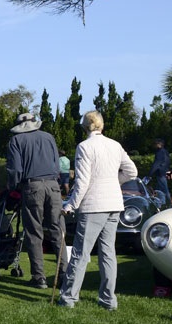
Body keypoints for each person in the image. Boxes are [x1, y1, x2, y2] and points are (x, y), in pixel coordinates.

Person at [57, 111, 137, 310]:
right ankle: (108, 300)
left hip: (94, 206)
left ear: (85, 127)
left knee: (80, 253)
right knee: (108, 253)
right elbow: (132, 172)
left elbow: (83, 181)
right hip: (114, 204)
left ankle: (68, 298)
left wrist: (70, 204)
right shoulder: (115, 145)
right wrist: (112, 183)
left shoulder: (84, 146)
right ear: (102, 125)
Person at [6, 111, 66, 289]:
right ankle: (64, 273)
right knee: (57, 230)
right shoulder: (48, 137)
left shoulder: (16, 141)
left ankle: (39, 277)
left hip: (32, 187)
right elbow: (57, 163)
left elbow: (15, 169)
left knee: (34, 232)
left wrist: (13, 187)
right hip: (53, 185)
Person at [147, 138, 172, 209]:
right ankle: (161, 204)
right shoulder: (165, 151)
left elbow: (156, 164)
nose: (154, 145)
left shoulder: (160, 152)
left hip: (161, 173)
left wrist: (150, 174)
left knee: (164, 190)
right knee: (160, 190)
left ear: (159, 144)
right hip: (165, 172)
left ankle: (169, 205)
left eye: (155, 144)